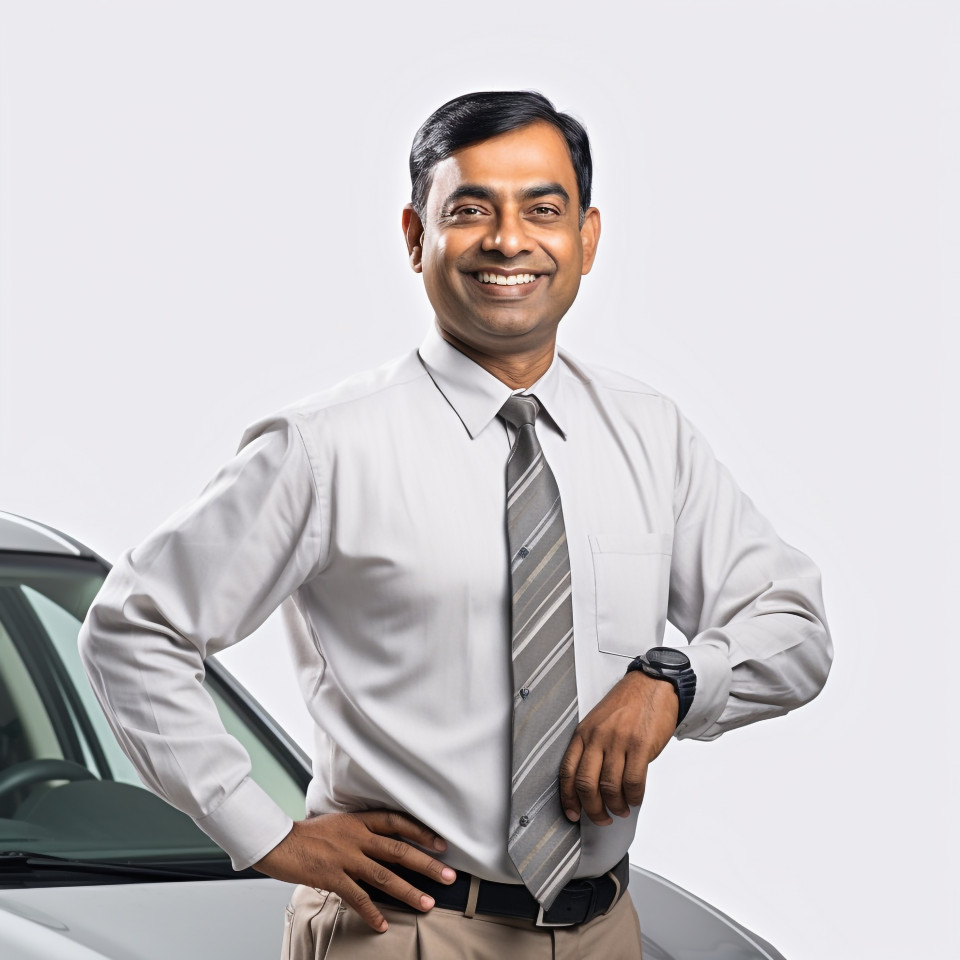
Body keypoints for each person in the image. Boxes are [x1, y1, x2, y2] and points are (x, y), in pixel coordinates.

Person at [79, 91, 832, 959]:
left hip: (604, 930)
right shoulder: (325, 450)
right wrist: (266, 835)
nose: (509, 240)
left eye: (542, 210)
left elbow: (797, 630)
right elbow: (133, 627)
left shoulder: (649, 435)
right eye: (470, 210)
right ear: (414, 237)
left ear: (586, 238)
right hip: (403, 932)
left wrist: (675, 680)